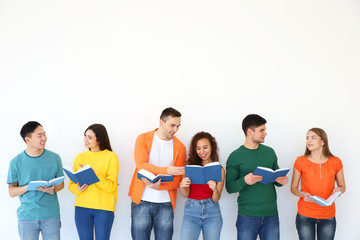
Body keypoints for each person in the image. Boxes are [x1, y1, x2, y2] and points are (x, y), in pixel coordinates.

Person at [225, 114, 288, 240]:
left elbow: (276, 177)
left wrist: (281, 181)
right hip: (247, 216)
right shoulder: (235, 156)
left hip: (271, 215)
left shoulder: (270, 152)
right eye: (261, 130)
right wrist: (244, 180)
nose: (265, 133)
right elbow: (229, 187)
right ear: (250, 131)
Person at [128, 107, 186, 240]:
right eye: (172, 125)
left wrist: (159, 186)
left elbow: (178, 181)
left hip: (166, 204)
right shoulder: (143, 138)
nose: (175, 130)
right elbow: (141, 166)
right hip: (141, 202)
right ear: (161, 122)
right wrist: (166, 171)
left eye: (178, 126)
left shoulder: (180, 147)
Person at [7, 121, 64, 240]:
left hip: (51, 215)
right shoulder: (16, 162)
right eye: (40, 135)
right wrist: (28, 186)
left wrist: (52, 190)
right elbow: (12, 192)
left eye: (44, 134)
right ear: (28, 140)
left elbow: (61, 184)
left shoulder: (54, 158)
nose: (44, 138)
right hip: (27, 216)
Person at [290, 128, 346, 240]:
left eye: (313, 137)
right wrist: (302, 194)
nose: (309, 141)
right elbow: (293, 188)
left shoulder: (336, 162)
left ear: (323, 141)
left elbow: (343, 186)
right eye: (307, 138)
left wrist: (338, 190)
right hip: (305, 214)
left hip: (328, 215)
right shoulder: (300, 161)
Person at [69, 124, 119, 240]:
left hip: (104, 209)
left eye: (90, 137)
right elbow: (71, 186)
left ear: (99, 139)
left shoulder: (111, 157)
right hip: (81, 208)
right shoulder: (80, 157)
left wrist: (94, 175)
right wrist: (78, 188)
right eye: (85, 136)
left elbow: (111, 186)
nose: (86, 139)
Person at [179, 132, 225, 240]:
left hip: (212, 212)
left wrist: (214, 189)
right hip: (191, 212)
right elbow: (185, 194)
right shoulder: (188, 167)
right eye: (198, 148)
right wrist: (182, 185)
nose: (202, 152)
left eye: (205, 147)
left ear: (212, 147)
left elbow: (216, 198)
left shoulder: (220, 169)